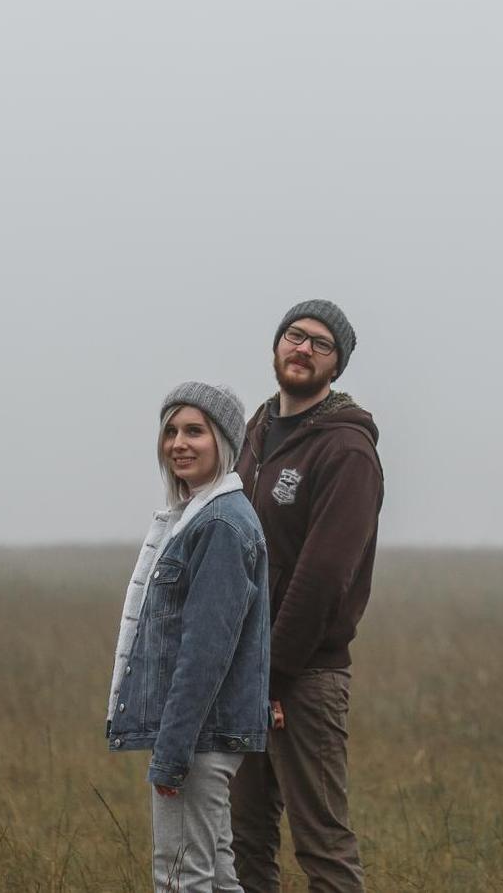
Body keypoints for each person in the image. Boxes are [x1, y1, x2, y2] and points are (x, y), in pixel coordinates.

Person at [230, 300, 384, 893]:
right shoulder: (253, 433)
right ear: (276, 345)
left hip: (306, 676)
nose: (303, 348)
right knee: (243, 842)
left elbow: (323, 576)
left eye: (321, 344)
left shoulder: (347, 451)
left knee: (322, 846)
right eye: (295, 335)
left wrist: (270, 675)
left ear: (336, 366)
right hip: (244, 671)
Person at [107, 382, 270, 893]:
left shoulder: (220, 524)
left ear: (224, 441)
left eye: (194, 431)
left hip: (199, 736)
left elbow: (204, 654)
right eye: (171, 430)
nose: (178, 442)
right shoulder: (199, 518)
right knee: (218, 877)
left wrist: (172, 753)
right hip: (205, 734)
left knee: (180, 879)